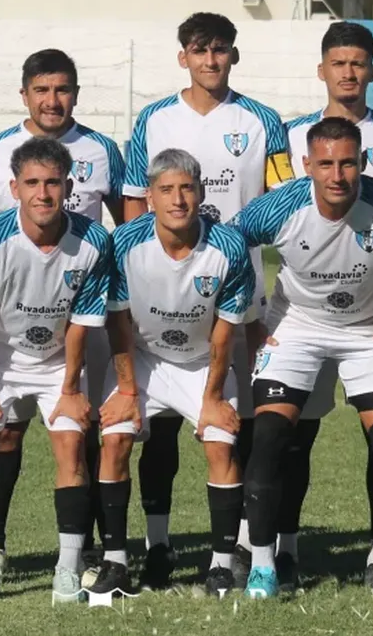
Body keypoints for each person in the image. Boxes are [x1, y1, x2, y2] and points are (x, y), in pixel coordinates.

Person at [120, 12, 292, 589]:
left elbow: (283, 203)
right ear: (183, 57)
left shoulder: (264, 121)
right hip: (162, 300)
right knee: (160, 432)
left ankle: (237, 546)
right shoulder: (153, 119)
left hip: (240, 297)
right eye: (200, 50)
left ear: (233, 55)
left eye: (220, 49)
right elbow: (133, 206)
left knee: (237, 424)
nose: (210, 60)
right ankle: (158, 546)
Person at [230, 117, 373, 605]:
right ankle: (262, 567)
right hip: (296, 328)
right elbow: (230, 246)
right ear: (307, 165)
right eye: (325, 164)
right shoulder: (280, 206)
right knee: (270, 437)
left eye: (347, 163)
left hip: (371, 331)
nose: (337, 175)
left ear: (362, 163)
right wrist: (251, 317)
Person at [0, 49, 125, 573]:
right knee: (5, 431)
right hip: (12, 317)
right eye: (42, 90)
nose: (52, 100)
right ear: (25, 94)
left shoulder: (102, 150)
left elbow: (126, 225)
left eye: (62, 90)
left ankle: (91, 544)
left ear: (75, 94)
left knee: (85, 427)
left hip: (82, 311)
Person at [282, 21, 373, 591]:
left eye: (358, 63)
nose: (348, 73)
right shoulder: (290, 134)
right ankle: (283, 549)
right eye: (338, 63)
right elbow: (274, 214)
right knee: (293, 436)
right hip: (301, 317)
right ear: (322, 70)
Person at [87, 149, 255, 597]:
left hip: (202, 363)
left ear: (201, 192)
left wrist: (213, 398)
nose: (177, 200)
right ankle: (116, 562)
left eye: (186, 189)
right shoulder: (124, 243)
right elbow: (117, 321)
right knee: (115, 439)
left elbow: (224, 333)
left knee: (221, 444)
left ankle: (221, 567)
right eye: (166, 190)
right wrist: (126, 391)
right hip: (142, 359)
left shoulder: (229, 246)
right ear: (150, 196)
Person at [0, 137, 111, 603]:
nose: (43, 193)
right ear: (14, 188)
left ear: (69, 187)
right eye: (32, 183)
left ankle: (67, 570)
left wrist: (71, 389)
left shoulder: (94, 241)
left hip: (59, 357)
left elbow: (81, 324)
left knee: (71, 444)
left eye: (52, 183)